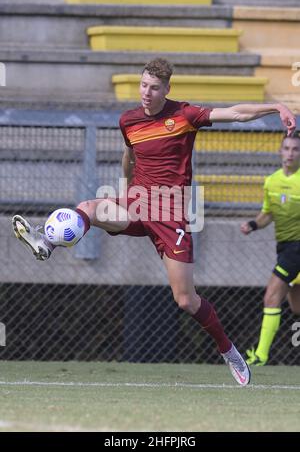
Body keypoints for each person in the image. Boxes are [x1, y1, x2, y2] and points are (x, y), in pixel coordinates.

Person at [12, 58, 296, 385]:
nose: (146, 93)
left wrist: (275, 107)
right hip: (136, 204)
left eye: (154, 88)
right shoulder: (128, 120)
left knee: (186, 299)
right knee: (87, 207)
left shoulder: (185, 115)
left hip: (169, 213)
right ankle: (45, 242)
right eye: (143, 85)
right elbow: (129, 154)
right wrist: (126, 185)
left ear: (167, 89)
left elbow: (234, 113)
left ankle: (228, 349)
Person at [241, 133, 300, 366]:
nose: (290, 153)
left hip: (296, 249)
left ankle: (260, 356)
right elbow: (268, 214)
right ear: (280, 152)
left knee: (271, 296)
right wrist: (253, 225)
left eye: (295, 149)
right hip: (284, 247)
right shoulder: (272, 181)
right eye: (286, 148)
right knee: (296, 307)